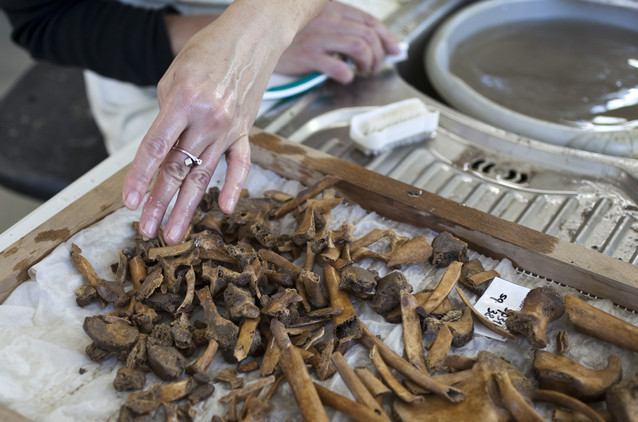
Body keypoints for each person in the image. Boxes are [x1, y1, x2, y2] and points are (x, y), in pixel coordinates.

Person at [1, 0, 400, 244]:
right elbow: (45, 17)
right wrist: (199, 36)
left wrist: (269, 22)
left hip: (310, 16)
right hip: (145, 40)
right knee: (170, 202)